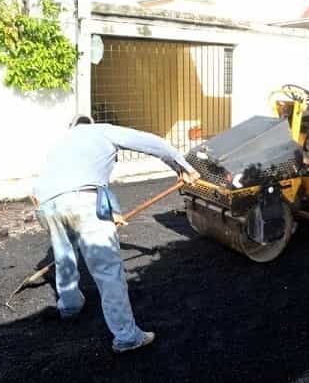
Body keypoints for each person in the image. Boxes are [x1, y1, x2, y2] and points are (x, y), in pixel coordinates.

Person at [33, 115, 200, 353]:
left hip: (48, 205)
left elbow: (94, 184)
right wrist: (181, 166)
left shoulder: (61, 143)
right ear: (90, 124)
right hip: (82, 200)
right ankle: (126, 336)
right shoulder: (102, 131)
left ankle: (69, 306)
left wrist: (114, 214)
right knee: (107, 271)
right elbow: (150, 142)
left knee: (64, 255)